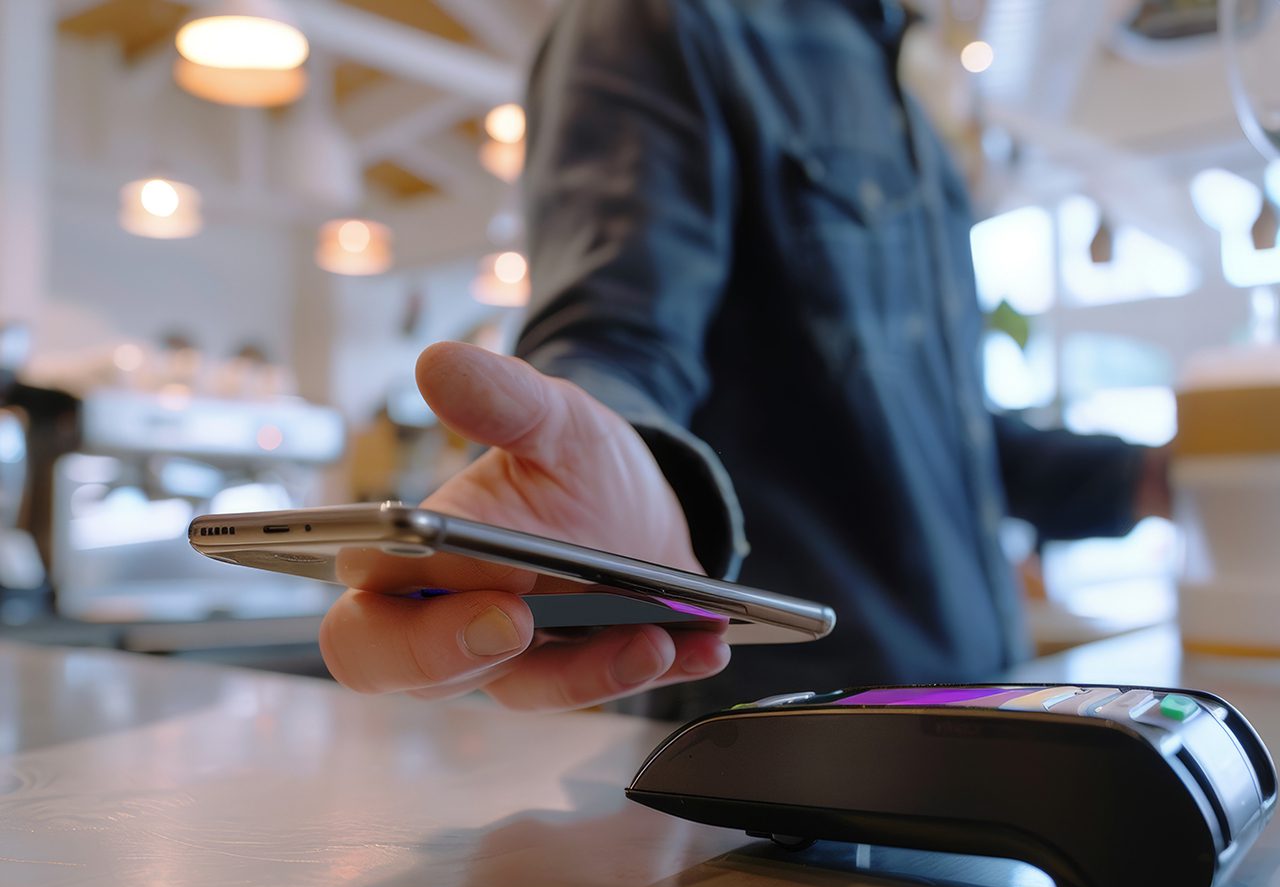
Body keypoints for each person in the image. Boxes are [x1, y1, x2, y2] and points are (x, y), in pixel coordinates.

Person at [318, 0, 1168, 716]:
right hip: (794, 743)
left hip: (985, 703)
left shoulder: (912, 110)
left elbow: (938, 435)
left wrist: (1157, 477)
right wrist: (600, 471)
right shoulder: (671, 18)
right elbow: (616, 337)